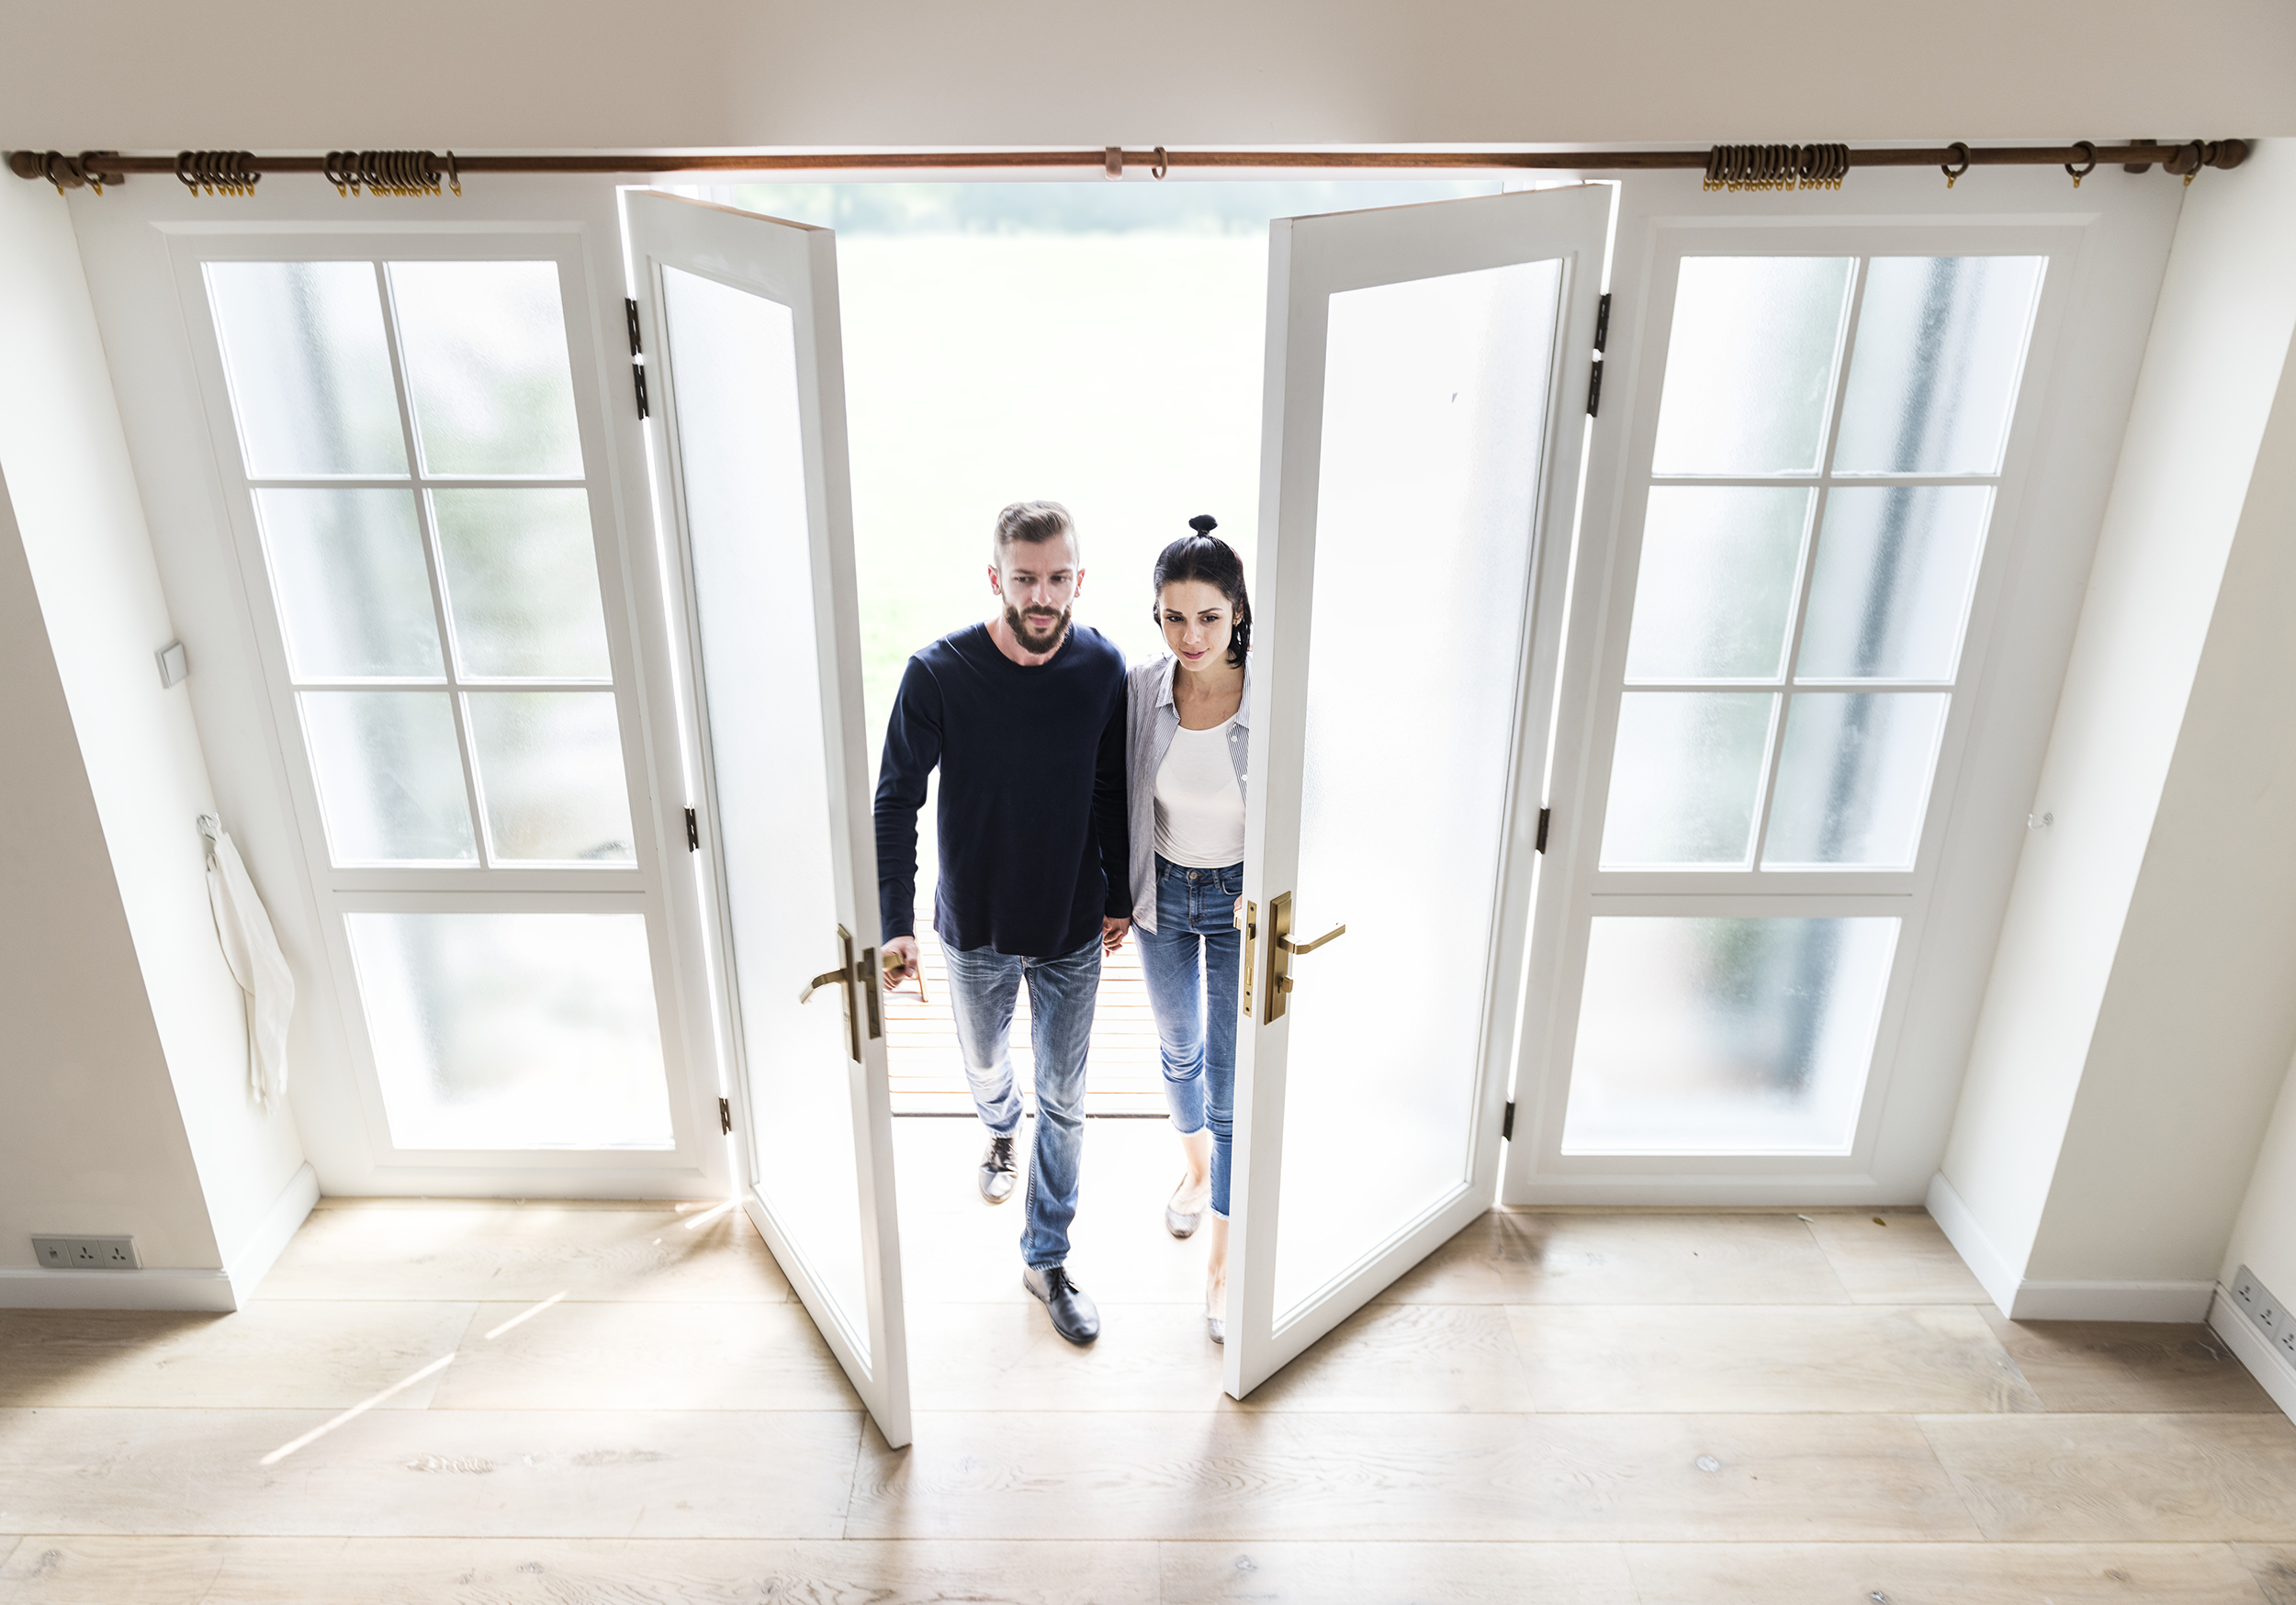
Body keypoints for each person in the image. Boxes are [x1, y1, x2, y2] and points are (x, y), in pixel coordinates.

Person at [874, 500, 1131, 1346]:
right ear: (997, 579)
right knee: (987, 1064)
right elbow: (895, 801)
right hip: (975, 926)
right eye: (1026, 579)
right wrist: (894, 922)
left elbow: (1109, 788)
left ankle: (1046, 1256)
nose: (1044, 595)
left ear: (1079, 580)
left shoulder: (1102, 668)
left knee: (1066, 1098)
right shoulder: (938, 672)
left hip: (1069, 926)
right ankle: (995, 1131)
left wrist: (1121, 895)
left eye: (1059, 578)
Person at [1125, 514, 1251, 1344]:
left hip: (1244, 901)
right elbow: (1115, 796)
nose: (1190, 635)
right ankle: (1196, 1172)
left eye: (1207, 616)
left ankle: (1222, 1261)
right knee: (1179, 1052)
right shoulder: (1143, 690)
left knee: (1233, 1090)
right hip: (1163, 896)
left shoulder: (1271, 693)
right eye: (1174, 617)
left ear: (1237, 611)